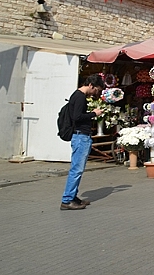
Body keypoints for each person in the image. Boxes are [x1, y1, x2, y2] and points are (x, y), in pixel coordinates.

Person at [60, 74, 104, 210]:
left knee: (78, 168)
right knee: (77, 169)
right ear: (91, 85)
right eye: (96, 90)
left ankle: (73, 196)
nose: (95, 93)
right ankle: (67, 199)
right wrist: (93, 114)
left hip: (81, 136)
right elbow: (77, 117)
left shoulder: (78, 96)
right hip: (80, 136)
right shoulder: (79, 97)